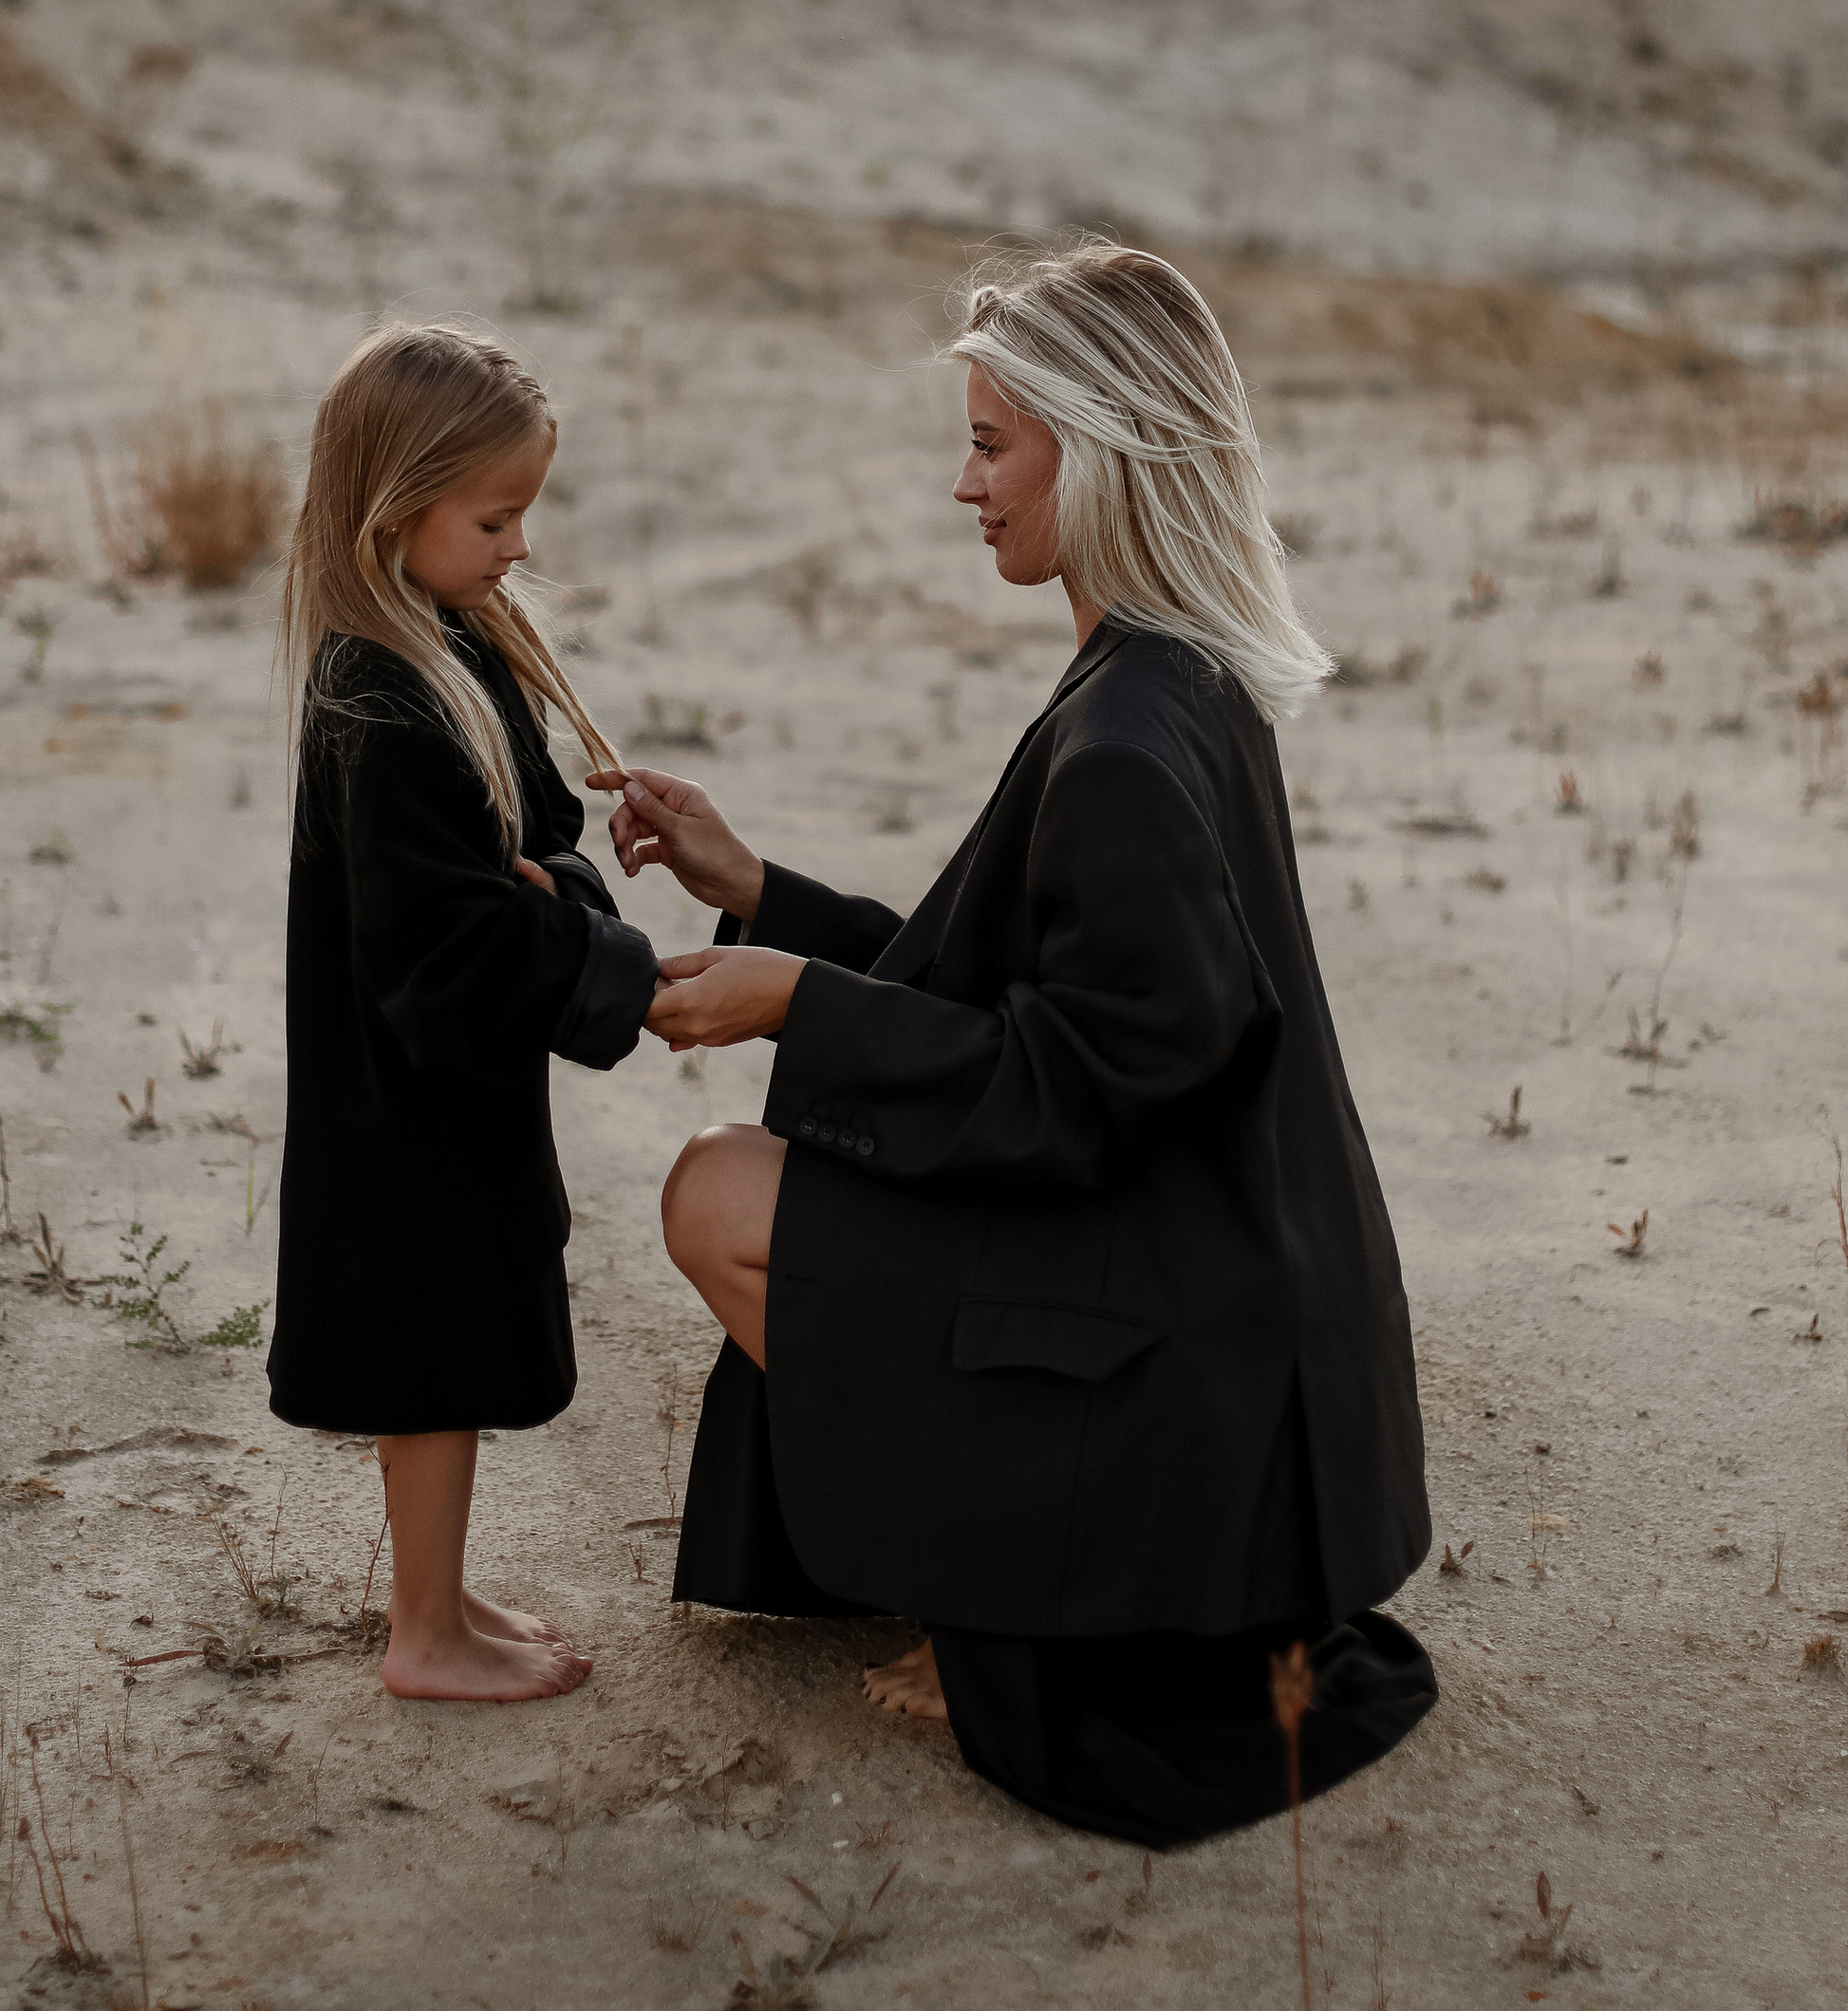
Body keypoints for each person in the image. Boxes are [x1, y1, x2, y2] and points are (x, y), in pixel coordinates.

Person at [597, 241, 1433, 1848]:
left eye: (991, 444)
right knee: (751, 1190)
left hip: (1195, 1341)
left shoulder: (1128, 733)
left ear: (1099, 447)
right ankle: (1013, 1552)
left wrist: (789, 1000)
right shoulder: (1177, 677)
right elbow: (1023, 987)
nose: (960, 485)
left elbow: (1070, 1091)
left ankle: (1029, 1607)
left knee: (717, 1196)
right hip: (1228, 1284)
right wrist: (761, 893)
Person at [271, 322, 658, 1703]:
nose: (516, 547)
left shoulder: (443, 643)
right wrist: (615, 972)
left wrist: (555, 877)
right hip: (403, 1101)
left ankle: (437, 1596)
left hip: (442, 1095)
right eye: (494, 518)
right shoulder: (377, 698)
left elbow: (525, 840)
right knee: (425, 1358)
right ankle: (422, 1638)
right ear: (396, 510)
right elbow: (443, 943)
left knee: (442, 1352)